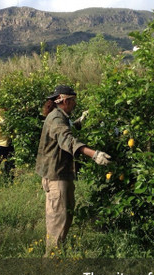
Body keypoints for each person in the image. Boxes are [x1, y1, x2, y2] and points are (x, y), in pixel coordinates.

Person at [35, 85, 111, 256]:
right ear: (65, 101)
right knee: (57, 219)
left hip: (63, 174)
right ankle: (51, 261)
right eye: (73, 101)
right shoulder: (55, 118)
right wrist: (94, 154)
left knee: (66, 215)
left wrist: (79, 123)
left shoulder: (62, 117)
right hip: (56, 177)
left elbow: (67, 128)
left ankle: (58, 254)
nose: (75, 104)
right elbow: (66, 140)